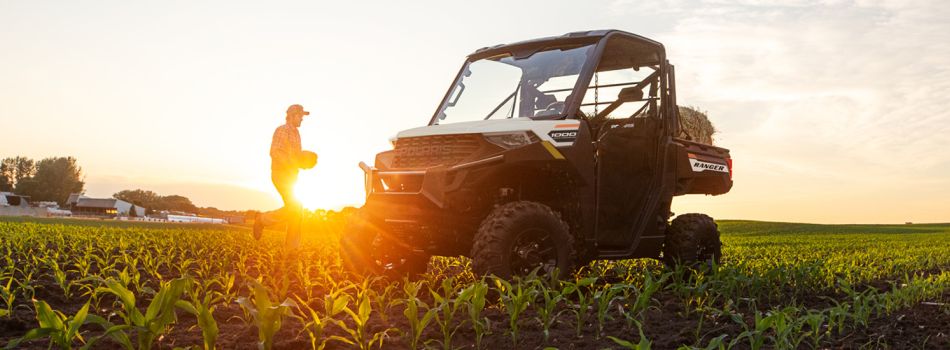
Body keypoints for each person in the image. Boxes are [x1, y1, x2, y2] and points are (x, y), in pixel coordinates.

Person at [253, 104, 316, 248]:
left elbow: (295, 156)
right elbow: (275, 152)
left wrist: (303, 160)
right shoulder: (283, 130)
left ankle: (291, 250)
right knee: (295, 208)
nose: (302, 119)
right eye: (300, 116)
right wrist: (291, 164)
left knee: (296, 211)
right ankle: (262, 220)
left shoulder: (296, 133)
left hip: (291, 177)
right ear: (293, 115)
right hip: (281, 174)